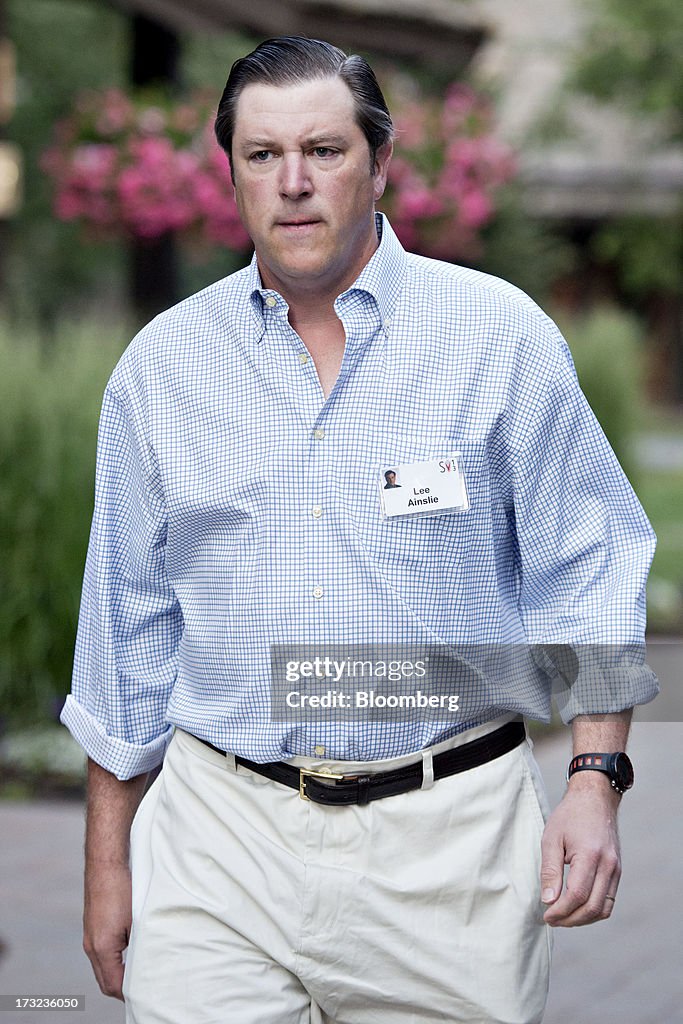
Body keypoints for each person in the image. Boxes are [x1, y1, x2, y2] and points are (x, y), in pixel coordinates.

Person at [61, 36, 657, 1024]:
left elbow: (587, 568)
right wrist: (107, 866)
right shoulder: (160, 370)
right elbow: (127, 630)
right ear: (231, 172)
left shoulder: (497, 339)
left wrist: (593, 779)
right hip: (221, 844)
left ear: (380, 162)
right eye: (261, 155)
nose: (292, 183)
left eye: (323, 151)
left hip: (447, 852)